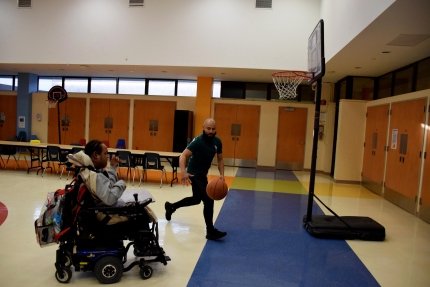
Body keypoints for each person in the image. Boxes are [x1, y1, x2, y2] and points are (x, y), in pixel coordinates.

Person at [165, 118, 227, 240]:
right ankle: (210, 231)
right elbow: (183, 155)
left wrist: (222, 175)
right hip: (194, 174)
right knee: (209, 200)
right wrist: (183, 172)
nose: (211, 131)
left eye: (213, 129)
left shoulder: (217, 142)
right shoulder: (198, 141)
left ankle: (171, 206)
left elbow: (220, 159)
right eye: (208, 128)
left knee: (196, 199)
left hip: (202, 174)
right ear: (203, 128)